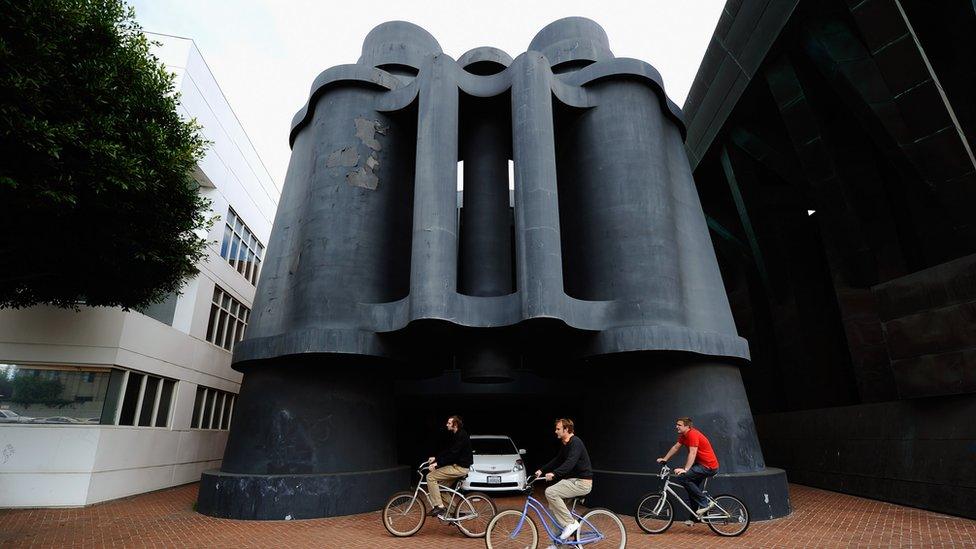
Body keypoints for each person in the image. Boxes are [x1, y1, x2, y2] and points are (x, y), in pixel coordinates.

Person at [534, 418, 593, 543]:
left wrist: (555, 474)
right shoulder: (566, 444)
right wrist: (541, 470)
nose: (555, 431)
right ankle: (557, 544)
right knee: (555, 509)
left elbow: (570, 463)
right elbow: (557, 460)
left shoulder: (575, 442)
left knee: (550, 492)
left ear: (566, 429)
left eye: (558, 429)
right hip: (573, 481)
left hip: (582, 483)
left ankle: (571, 524)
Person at [657, 416, 720, 517]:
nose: (676, 426)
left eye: (679, 425)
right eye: (677, 424)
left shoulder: (692, 434)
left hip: (708, 466)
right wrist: (665, 459)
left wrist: (685, 470)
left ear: (687, 426)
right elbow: (676, 447)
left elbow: (692, 453)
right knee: (691, 490)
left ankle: (705, 503)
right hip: (701, 464)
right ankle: (695, 517)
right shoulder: (684, 435)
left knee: (683, 478)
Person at [426, 415, 473, 517]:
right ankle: (454, 513)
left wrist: (437, 464)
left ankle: (439, 507)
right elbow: (449, 451)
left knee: (430, 477)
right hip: (458, 467)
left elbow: (453, 454)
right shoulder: (457, 434)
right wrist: (436, 458)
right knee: (440, 488)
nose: (446, 425)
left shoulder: (461, 435)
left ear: (455, 424)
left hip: (459, 468)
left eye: (449, 423)